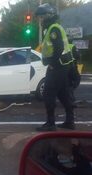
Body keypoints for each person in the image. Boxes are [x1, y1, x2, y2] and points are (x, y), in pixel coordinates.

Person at [35, 3, 75, 131]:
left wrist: (51, 63)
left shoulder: (53, 29)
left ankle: (50, 123)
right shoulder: (53, 28)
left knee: (49, 93)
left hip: (58, 66)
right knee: (63, 94)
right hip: (63, 66)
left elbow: (59, 48)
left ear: (48, 15)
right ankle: (70, 121)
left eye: (41, 17)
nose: (40, 20)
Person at [68, 40, 81, 106]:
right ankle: (70, 100)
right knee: (77, 79)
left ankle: (68, 98)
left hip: (63, 68)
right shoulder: (72, 46)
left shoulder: (62, 47)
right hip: (72, 66)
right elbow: (78, 56)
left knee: (68, 82)